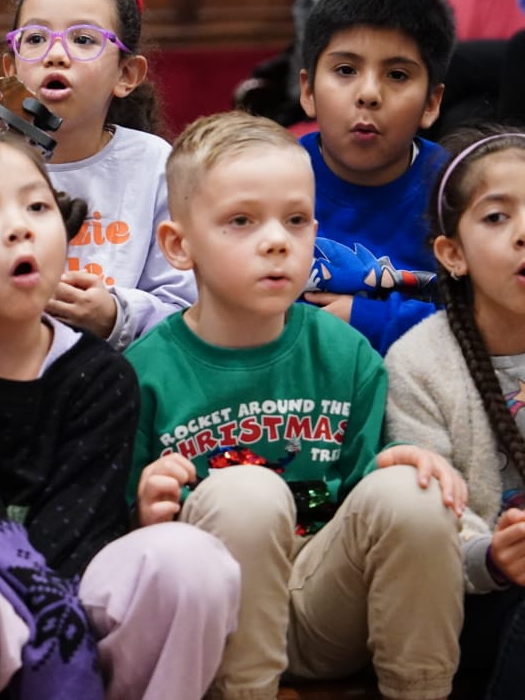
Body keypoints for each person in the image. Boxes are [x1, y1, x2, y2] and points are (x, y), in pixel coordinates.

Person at [0, 134, 238, 699]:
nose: (19, 227)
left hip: (67, 580)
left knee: (189, 562)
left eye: (37, 206)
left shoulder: (101, 375)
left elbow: (76, 535)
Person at [130, 112, 465, 700]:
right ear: (179, 245)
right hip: (216, 622)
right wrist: (145, 509)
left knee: (414, 491)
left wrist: (401, 457)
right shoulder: (141, 372)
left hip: (323, 600)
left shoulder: (347, 353)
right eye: (241, 221)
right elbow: (117, 543)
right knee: (248, 489)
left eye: (296, 220)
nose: (277, 240)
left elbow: (368, 498)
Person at [385, 128, 525, 700]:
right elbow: (428, 517)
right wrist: (491, 557)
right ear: (452, 254)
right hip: (474, 604)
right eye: (496, 218)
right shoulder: (418, 362)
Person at [0, 0, 195, 349]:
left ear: (126, 76)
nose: (56, 54)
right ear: (10, 69)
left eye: (83, 39)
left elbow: (189, 309)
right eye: (35, 39)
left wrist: (114, 315)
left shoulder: (154, 164)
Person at [294, 0, 454, 353]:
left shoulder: (459, 191)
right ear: (308, 91)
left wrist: (369, 319)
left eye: (397, 75)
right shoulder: (269, 179)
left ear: (431, 103)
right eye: (346, 70)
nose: (368, 94)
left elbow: (492, 316)